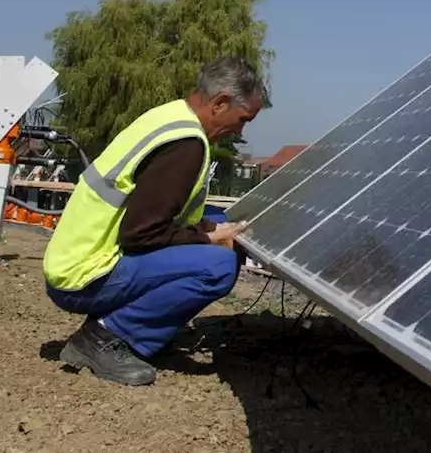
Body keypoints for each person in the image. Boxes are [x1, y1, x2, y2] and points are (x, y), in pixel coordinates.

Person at [42, 56, 270, 386]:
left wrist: (207, 227)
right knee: (218, 264)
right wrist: (207, 239)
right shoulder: (186, 145)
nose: (240, 130)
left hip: (79, 260)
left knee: (220, 222)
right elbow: (141, 234)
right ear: (220, 103)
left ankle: (124, 325)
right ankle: (103, 337)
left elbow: (157, 213)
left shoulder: (171, 117)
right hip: (86, 275)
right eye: (243, 118)